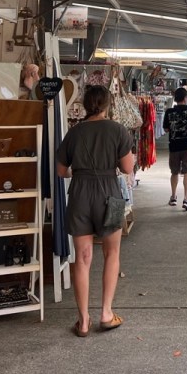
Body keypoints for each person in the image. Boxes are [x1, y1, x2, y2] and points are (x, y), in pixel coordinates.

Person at [56, 85, 134, 337]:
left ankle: (84, 320)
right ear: (107, 105)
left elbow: (60, 171)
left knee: (82, 258)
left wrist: (79, 172)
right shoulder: (118, 130)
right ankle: (106, 313)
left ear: (86, 105)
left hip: (79, 194)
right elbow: (127, 167)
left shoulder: (74, 132)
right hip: (110, 194)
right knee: (112, 253)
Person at [163, 86, 187, 211]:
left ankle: (173, 197)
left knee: (174, 172)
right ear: (186, 98)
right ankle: (186, 199)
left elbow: (166, 129)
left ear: (175, 98)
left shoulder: (169, 112)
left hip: (174, 145)